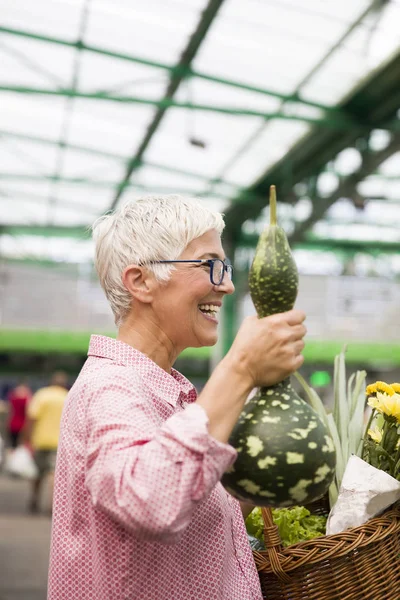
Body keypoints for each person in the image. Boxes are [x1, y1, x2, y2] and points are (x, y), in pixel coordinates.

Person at [48, 195, 306, 600]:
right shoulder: (110, 386)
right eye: (210, 265)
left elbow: (193, 512)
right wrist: (240, 369)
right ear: (141, 282)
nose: (227, 284)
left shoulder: (169, 391)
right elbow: (151, 502)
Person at [26, 371, 68, 513]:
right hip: (59, 442)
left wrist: (27, 438)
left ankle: (34, 498)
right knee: (54, 475)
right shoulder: (67, 396)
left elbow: (32, 417)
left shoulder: (42, 395)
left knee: (37, 473)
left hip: (40, 440)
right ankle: (52, 505)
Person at [6, 380, 32, 449]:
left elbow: (10, 411)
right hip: (23, 425)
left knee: (13, 446)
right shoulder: (27, 398)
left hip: (13, 424)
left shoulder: (13, 397)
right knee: (22, 447)